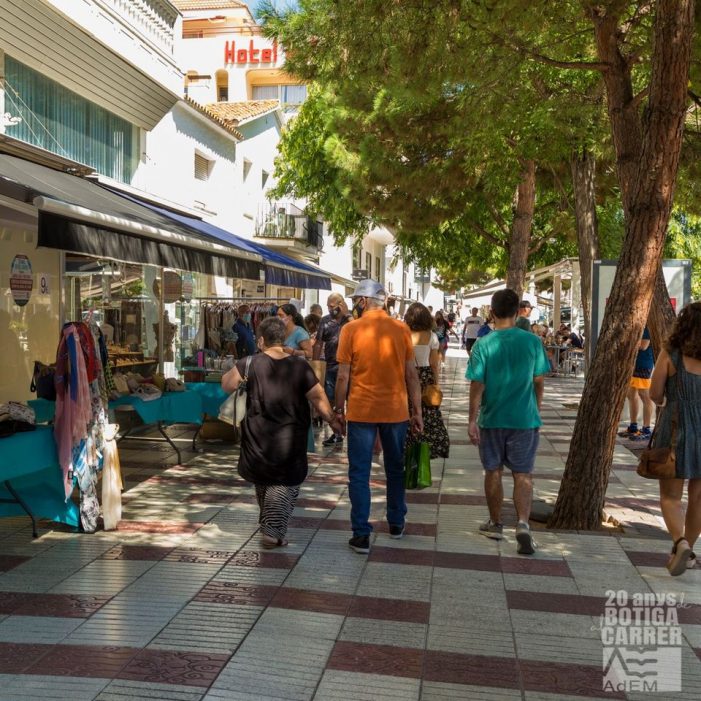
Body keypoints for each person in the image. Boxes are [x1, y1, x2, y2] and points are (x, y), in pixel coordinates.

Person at [222, 317, 343, 548]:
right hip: (290, 438)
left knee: (264, 481)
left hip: (257, 437)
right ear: (284, 340)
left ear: (260, 340)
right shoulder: (299, 366)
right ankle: (272, 530)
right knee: (285, 483)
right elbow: (318, 397)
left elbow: (227, 385)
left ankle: (271, 526)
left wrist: (237, 368)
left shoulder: (249, 363)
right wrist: (332, 420)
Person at [334, 279, 423, 554]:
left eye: (355, 301)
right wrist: (417, 410)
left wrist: (338, 410)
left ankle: (361, 534)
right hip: (396, 411)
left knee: (359, 472)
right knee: (395, 468)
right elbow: (411, 374)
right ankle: (396, 523)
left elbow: (343, 376)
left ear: (363, 301)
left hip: (361, 411)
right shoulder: (401, 329)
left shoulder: (350, 329)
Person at [466, 289, 550, 555]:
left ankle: (496, 523)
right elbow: (539, 380)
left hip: (492, 419)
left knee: (493, 471)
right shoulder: (533, 342)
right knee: (523, 474)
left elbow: (477, 385)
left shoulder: (483, 344)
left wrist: (472, 420)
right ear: (517, 312)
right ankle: (523, 524)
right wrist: (536, 408)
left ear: (492, 312)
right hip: (524, 419)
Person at [649, 302, 701, 575]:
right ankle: (689, 552)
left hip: (675, 430)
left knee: (670, 497)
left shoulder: (671, 355)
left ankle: (680, 543)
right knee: (699, 498)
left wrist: (670, 399)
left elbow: (654, 394)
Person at [404, 302, 450, 459]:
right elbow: (434, 364)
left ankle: (407, 444)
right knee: (428, 413)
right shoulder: (432, 336)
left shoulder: (403, 334)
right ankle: (425, 445)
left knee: (407, 410)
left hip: (406, 376)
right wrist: (436, 384)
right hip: (425, 377)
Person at [314, 293, 353, 447]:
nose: (330, 309)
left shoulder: (350, 321)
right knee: (332, 402)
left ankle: (353, 433)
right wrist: (316, 364)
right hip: (331, 366)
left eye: (332, 306)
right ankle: (337, 433)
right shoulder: (325, 321)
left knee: (351, 400)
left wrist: (347, 315)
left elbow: (359, 333)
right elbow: (318, 343)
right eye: (328, 306)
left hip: (349, 368)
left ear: (340, 304)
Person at [618, 326, 655, 441]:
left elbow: (643, 345)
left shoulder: (647, 327)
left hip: (643, 364)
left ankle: (646, 429)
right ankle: (633, 426)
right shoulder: (638, 324)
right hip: (633, 364)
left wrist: (626, 341)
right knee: (631, 394)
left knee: (645, 396)